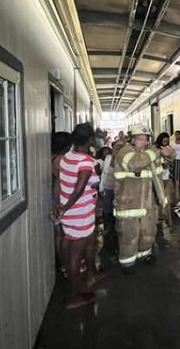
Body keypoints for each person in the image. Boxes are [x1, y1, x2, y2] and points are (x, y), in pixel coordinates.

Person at [57, 123, 104, 309]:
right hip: (78, 214)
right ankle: (74, 295)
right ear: (90, 140)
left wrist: (62, 207)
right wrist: (65, 208)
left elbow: (64, 184)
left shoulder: (67, 157)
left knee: (89, 244)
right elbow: (78, 189)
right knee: (75, 255)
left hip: (75, 213)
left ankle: (92, 275)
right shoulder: (85, 162)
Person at [113, 125, 172, 269]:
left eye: (146, 139)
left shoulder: (148, 153)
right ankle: (127, 263)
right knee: (129, 236)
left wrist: (169, 154)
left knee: (148, 232)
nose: (144, 142)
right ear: (132, 140)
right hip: (128, 205)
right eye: (140, 139)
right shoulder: (125, 152)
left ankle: (145, 255)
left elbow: (160, 169)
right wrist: (154, 151)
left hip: (147, 204)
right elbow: (135, 164)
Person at [51, 131, 73, 275]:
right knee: (65, 235)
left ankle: (64, 264)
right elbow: (61, 184)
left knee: (61, 234)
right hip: (60, 200)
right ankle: (66, 264)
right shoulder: (61, 160)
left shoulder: (53, 158)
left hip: (56, 200)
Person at [155, 132, 176, 225]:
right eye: (164, 141)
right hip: (157, 175)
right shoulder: (155, 149)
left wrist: (169, 158)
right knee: (157, 194)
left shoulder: (169, 149)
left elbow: (173, 158)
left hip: (166, 173)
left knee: (165, 195)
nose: (165, 143)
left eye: (167, 141)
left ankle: (162, 212)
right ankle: (158, 213)